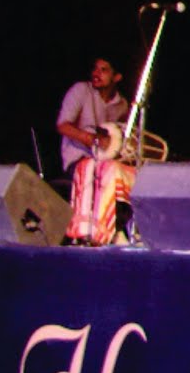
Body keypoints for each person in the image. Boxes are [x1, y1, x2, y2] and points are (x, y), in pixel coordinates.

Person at [56, 56, 133, 245]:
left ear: (117, 77)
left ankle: (117, 230)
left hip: (106, 164)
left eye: (103, 70)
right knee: (106, 172)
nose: (96, 74)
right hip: (77, 162)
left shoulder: (122, 105)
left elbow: (119, 138)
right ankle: (91, 234)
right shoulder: (81, 90)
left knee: (125, 174)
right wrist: (93, 140)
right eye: (95, 69)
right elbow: (62, 125)